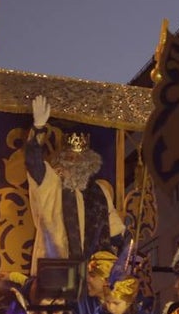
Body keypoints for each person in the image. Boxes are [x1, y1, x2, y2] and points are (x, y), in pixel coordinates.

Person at [27, 94, 126, 274]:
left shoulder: (99, 191)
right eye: (71, 159)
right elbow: (33, 163)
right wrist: (38, 129)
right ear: (62, 162)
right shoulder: (52, 184)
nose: (75, 164)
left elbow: (116, 233)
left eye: (80, 160)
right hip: (56, 270)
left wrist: (128, 251)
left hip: (92, 275)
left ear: (88, 163)